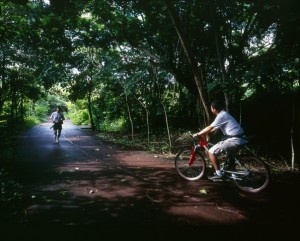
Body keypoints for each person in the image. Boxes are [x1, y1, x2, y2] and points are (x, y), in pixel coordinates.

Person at [193, 100, 248, 181]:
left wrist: (198, 134)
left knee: (211, 152)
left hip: (235, 140)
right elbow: (215, 128)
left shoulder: (221, 116)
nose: (211, 110)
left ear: (214, 109)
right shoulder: (224, 114)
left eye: (211, 108)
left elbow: (210, 127)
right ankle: (233, 174)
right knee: (230, 155)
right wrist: (204, 132)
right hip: (241, 138)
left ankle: (219, 174)